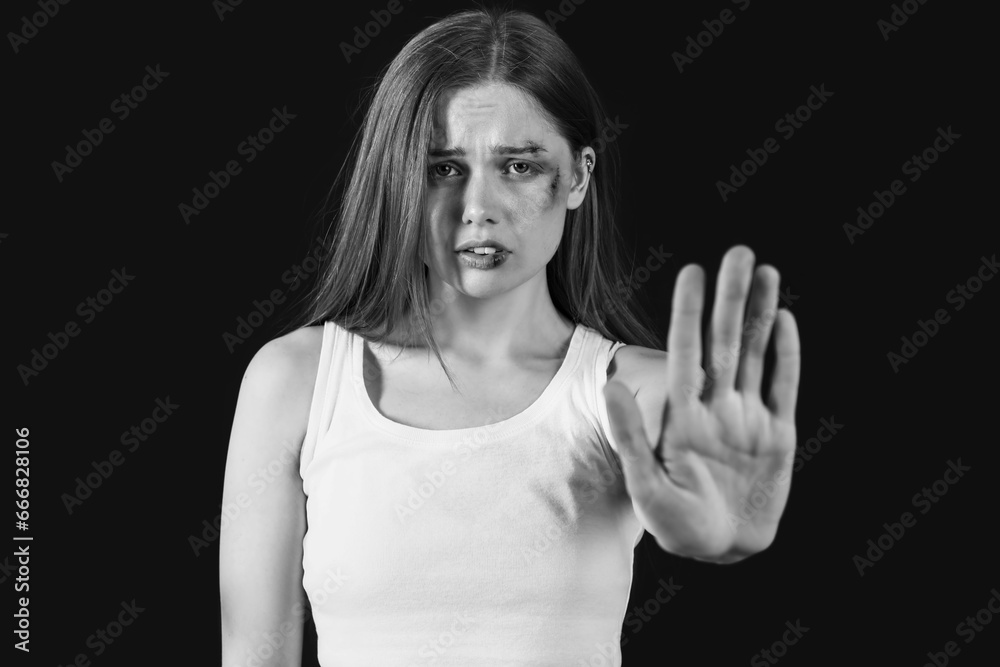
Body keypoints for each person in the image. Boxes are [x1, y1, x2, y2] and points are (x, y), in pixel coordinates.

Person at [219, 7, 801, 666]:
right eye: (442, 167)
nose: (479, 206)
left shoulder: (631, 392)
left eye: (518, 167)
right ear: (399, 178)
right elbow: (252, 653)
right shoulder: (296, 382)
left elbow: (699, 474)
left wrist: (726, 527)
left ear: (578, 175)